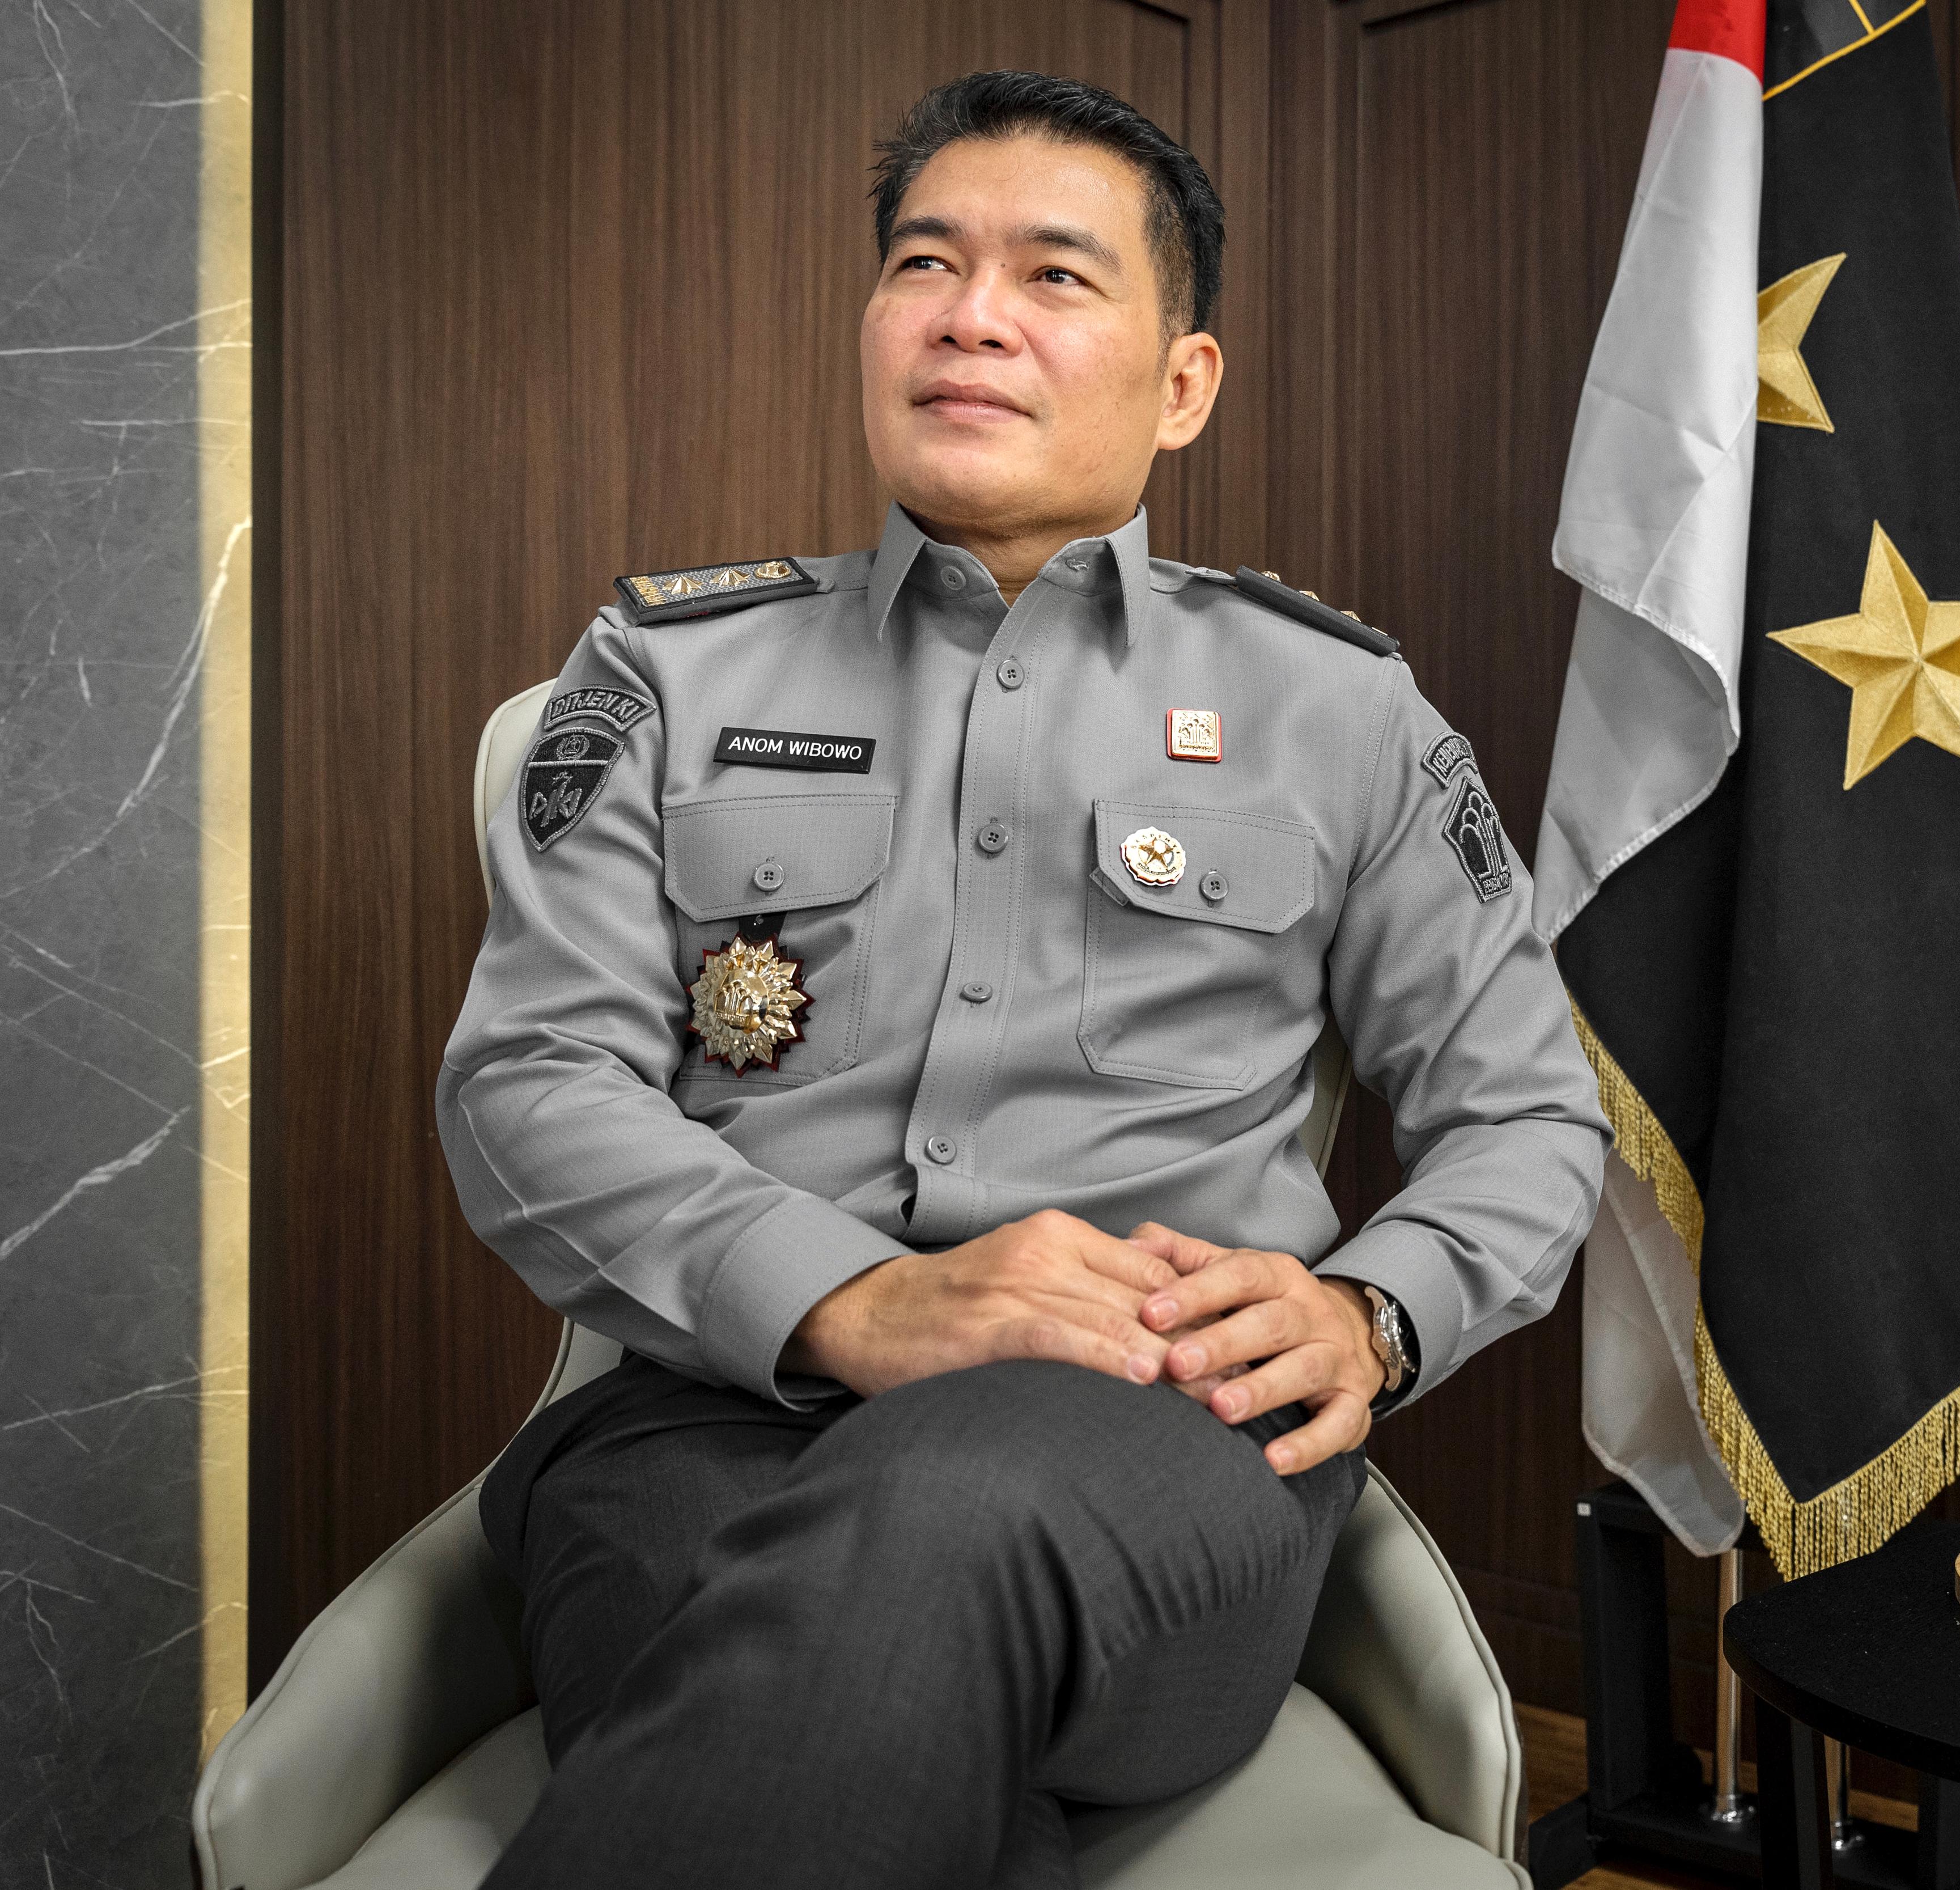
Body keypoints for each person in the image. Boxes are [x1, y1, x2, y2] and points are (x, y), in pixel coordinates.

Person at [437, 68, 1608, 1889]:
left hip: (1152, 1436)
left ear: (1184, 381)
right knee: (806, 1693)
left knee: (926, 1528)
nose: (971, 312)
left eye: (1055, 275)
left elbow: (1527, 1109)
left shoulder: (1340, 711)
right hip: (704, 1423)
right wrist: (855, 1306)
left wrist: (1375, 1313)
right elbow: (527, 1088)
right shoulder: (668, 676)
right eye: (926, 262)